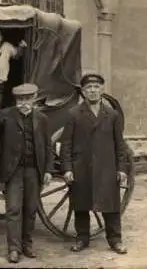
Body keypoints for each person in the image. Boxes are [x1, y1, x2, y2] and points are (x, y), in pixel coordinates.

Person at [0, 83, 54, 263]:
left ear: (34, 98)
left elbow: (48, 147)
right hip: (13, 170)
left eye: (27, 99)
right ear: (16, 100)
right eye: (20, 100)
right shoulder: (7, 115)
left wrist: (48, 170)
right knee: (13, 209)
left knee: (30, 209)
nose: (24, 103)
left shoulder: (42, 119)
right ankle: (14, 249)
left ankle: (27, 245)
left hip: (34, 170)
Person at [60, 73, 129, 255]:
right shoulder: (74, 114)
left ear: (102, 89)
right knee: (81, 204)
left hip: (107, 167)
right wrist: (67, 168)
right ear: (83, 91)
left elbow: (119, 144)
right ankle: (82, 238)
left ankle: (115, 240)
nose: (92, 91)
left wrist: (122, 168)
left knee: (111, 205)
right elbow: (66, 144)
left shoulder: (112, 115)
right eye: (89, 88)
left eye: (96, 87)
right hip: (81, 167)